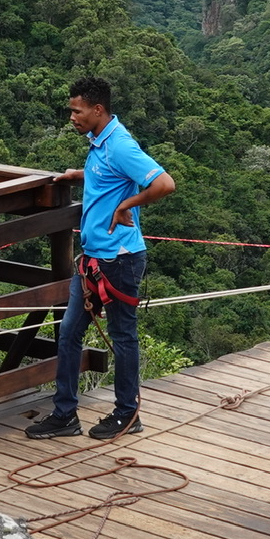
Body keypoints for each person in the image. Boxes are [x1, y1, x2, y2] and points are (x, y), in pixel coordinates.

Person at [26, 76, 177, 442]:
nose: (72, 117)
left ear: (97, 109)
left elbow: (164, 184)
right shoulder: (100, 142)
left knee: (122, 335)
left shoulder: (120, 145)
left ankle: (127, 413)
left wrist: (126, 205)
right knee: (68, 333)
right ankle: (65, 414)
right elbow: (108, 177)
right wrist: (79, 176)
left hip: (119, 259)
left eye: (77, 111)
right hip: (94, 258)